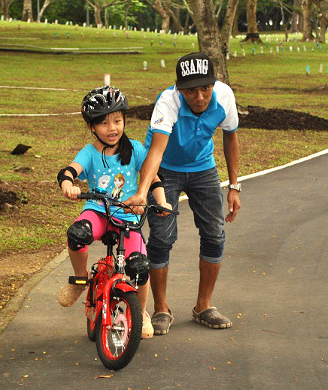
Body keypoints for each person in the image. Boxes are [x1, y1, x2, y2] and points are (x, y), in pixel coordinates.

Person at [123, 52, 241, 335]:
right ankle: (162, 309)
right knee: (162, 237)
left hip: (203, 167)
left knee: (214, 233)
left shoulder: (224, 96)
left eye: (205, 88)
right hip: (166, 170)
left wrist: (234, 186)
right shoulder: (168, 101)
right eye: (190, 90)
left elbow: (230, 135)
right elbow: (156, 150)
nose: (199, 96)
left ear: (214, 84)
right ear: (179, 88)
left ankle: (204, 306)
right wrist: (143, 191)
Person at [57, 85, 171, 339]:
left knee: (140, 267)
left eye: (118, 121)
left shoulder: (136, 150)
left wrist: (162, 202)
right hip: (97, 212)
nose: (113, 129)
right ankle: (79, 279)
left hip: (128, 218)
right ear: (92, 128)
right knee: (77, 234)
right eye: (105, 123)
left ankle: (140, 313)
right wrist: (68, 184)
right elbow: (69, 171)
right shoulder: (89, 152)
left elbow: (153, 177)